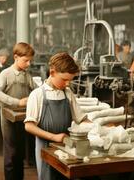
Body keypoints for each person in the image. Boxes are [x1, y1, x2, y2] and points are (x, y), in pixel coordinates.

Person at [24, 52, 87, 180]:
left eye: (70, 80)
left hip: (66, 147)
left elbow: (81, 119)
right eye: (64, 79)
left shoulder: (67, 93)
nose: (68, 84)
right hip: (46, 148)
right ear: (52, 73)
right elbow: (29, 126)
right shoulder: (37, 95)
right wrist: (54, 137)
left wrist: (99, 129)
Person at [0, 42, 36, 180]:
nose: (28, 64)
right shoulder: (5, 74)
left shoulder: (26, 75)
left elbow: (37, 90)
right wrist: (17, 102)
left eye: (30, 61)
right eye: (26, 60)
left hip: (22, 117)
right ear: (16, 57)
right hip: (8, 117)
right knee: (11, 153)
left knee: (20, 152)